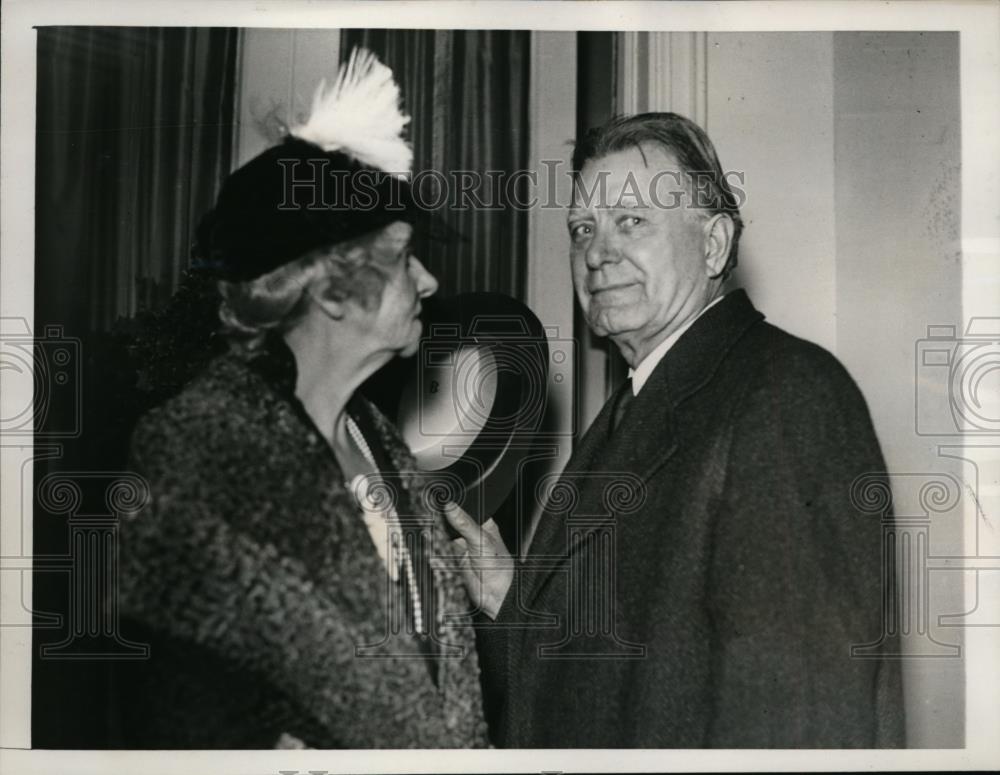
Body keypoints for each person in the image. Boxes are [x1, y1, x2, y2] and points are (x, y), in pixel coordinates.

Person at [446, 112, 905, 748]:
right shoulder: (631, 409)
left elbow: (798, 722)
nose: (597, 253)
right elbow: (618, 674)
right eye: (583, 228)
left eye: (631, 221)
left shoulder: (784, 391)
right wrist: (512, 603)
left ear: (713, 245)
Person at [115, 49, 488, 748]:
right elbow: (182, 726)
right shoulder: (199, 444)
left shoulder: (378, 437)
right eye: (406, 258)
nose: (431, 281)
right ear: (333, 288)